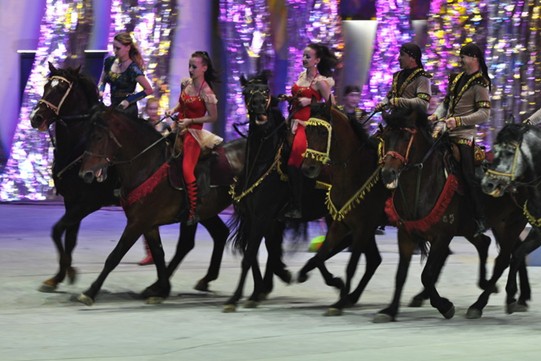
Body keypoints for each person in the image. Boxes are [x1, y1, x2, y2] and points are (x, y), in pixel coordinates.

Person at [429, 42, 492, 236]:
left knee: (468, 174)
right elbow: (447, 102)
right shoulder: (457, 79)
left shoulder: (480, 83)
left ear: (474, 58)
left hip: (464, 136)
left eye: (464, 57)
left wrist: (459, 121)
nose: (461, 61)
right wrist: (436, 115)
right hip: (446, 132)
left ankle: (480, 217)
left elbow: (484, 114)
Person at [167, 51, 223, 225]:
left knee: (187, 170)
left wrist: (191, 121)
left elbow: (212, 117)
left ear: (204, 68)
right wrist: (173, 110)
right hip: (178, 128)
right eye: (190, 66)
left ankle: (193, 210)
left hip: (194, 132)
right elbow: (182, 103)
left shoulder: (206, 92)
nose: (190, 69)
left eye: (194, 66)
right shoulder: (187, 83)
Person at [286, 43, 338, 218]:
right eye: (304, 56)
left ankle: (296, 204)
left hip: (307, 125)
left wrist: (311, 103)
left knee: (295, 157)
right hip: (292, 121)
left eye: (308, 56)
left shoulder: (321, 82)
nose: (304, 59)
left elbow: (334, 106)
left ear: (317, 60)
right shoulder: (301, 77)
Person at [137, 97, 171, 266]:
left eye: (155, 109)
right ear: (146, 110)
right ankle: (150, 252)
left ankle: (153, 252)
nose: (153, 112)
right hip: (147, 172)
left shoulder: (165, 125)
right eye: (150, 108)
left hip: (162, 170)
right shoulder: (144, 127)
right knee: (145, 216)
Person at [98, 32, 153, 118]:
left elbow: (149, 90)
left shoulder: (133, 69)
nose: (115, 51)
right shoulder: (109, 61)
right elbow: (103, 80)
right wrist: (101, 90)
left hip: (127, 109)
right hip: (113, 105)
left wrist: (128, 100)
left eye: (118, 48)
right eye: (114, 47)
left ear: (127, 48)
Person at [376, 42, 432, 113]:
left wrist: (399, 101)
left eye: (402, 55)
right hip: (395, 119)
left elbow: (423, 103)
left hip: (411, 122)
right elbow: (390, 97)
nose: (399, 58)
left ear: (412, 58)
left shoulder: (422, 77)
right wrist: (382, 104)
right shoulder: (398, 75)